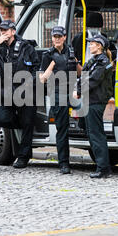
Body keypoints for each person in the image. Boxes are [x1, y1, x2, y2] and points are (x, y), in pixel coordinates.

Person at [0, 20, 40, 169]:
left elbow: (37, 67)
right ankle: (24, 122)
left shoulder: (27, 47)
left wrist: (29, 83)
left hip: (26, 90)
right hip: (7, 91)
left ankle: (23, 157)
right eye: (1, 30)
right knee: (2, 118)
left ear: (13, 31)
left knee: (27, 123)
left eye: (6, 30)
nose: (3, 33)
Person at [39, 26, 80, 174]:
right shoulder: (47, 55)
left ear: (64, 37)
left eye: (59, 36)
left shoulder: (71, 52)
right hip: (57, 94)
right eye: (54, 36)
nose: (56, 39)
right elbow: (42, 79)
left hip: (72, 92)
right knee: (62, 129)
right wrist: (52, 65)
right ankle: (64, 163)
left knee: (87, 119)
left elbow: (79, 72)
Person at [73, 34, 113, 178]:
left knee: (96, 135)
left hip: (96, 101)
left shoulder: (103, 62)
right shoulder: (94, 60)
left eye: (92, 44)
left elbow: (92, 80)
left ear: (99, 46)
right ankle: (102, 166)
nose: (89, 45)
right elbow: (83, 75)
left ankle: (103, 168)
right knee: (90, 131)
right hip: (90, 100)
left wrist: (78, 91)